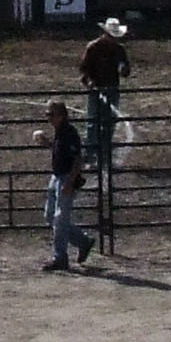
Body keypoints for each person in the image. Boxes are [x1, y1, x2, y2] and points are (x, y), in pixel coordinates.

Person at [80, 16, 131, 174]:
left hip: (112, 88)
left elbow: (126, 70)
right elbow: (84, 70)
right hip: (97, 90)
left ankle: (104, 157)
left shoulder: (119, 49)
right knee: (93, 123)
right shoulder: (93, 48)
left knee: (109, 124)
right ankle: (90, 157)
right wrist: (90, 83)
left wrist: (123, 69)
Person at [39, 99, 86, 270]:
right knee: (51, 215)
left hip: (65, 178)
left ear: (61, 115)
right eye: (47, 114)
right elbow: (61, 152)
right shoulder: (60, 132)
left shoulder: (69, 133)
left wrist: (70, 182)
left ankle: (60, 257)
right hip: (57, 176)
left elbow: (77, 159)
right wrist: (47, 143)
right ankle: (83, 241)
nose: (48, 118)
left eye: (51, 114)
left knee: (60, 218)